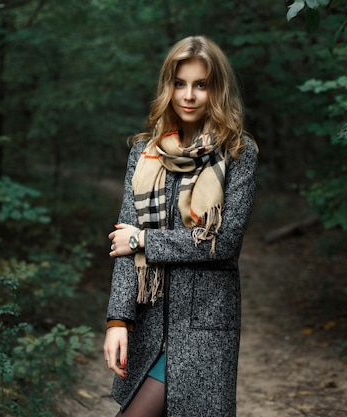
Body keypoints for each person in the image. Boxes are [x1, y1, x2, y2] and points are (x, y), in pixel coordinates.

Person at [103, 35, 258, 417]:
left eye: (201, 85)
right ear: (167, 87)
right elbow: (124, 243)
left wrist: (144, 240)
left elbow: (220, 244)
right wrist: (118, 320)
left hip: (203, 329)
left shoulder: (238, 154)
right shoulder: (145, 153)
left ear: (217, 90)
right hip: (150, 318)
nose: (188, 95)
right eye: (180, 83)